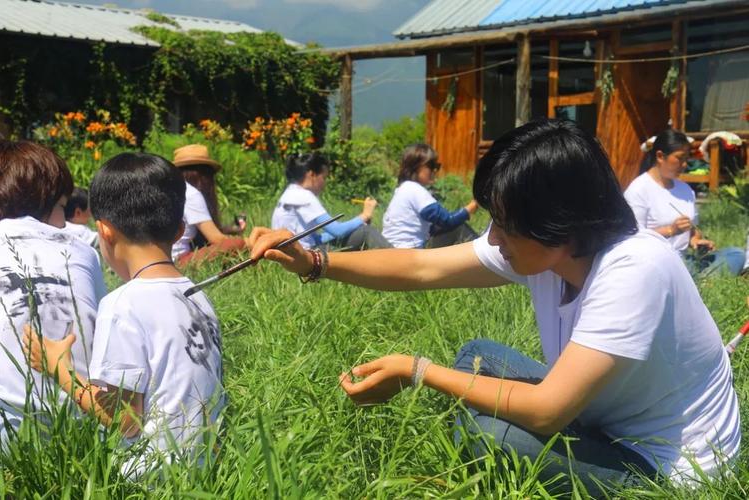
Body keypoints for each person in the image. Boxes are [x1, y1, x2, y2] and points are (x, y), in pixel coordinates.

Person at [248, 119, 740, 495]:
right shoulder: (555, 250)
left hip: (666, 469)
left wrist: (416, 370)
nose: (494, 238)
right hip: (602, 416)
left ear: (558, 224)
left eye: (505, 223)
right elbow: (422, 268)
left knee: (491, 434)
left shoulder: (636, 269)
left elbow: (547, 411)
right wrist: (312, 260)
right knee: (479, 354)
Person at [23, 152, 224, 475]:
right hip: (208, 471)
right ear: (179, 231)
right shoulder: (199, 296)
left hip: (150, 482)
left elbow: (125, 420)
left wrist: (59, 369)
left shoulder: (123, 304)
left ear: (104, 232)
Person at [0, 141, 105, 442]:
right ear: (45, 202)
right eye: (61, 208)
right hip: (87, 426)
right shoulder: (84, 251)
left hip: (8, 431)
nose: (63, 223)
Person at [624, 129, 745, 276]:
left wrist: (695, 240)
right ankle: (699, 280)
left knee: (736, 254)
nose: (684, 165)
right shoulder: (638, 190)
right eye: (680, 158)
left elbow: (693, 229)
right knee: (679, 266)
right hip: (657, 260)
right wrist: (671, 230)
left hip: (685, 258)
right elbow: (633, 238)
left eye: (687, 159)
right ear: (660, 156)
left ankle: (699, 280)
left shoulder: (685, 189)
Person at [271, 152, 390, 250]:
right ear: (312, 175)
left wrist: (357, 224)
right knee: (365, 233)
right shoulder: (304, 197)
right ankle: (399, 262)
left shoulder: (290, 193)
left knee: (360, 231)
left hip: (297, 251)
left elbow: (317, 238)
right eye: (324, 177)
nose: (325, 183)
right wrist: (364, 215)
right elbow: (337, 231)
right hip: (306, 254)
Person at [383, 144, 478, 248]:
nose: (435, 171)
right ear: (415, 167)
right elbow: (448, 221)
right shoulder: (415, 190)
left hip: (393, 250)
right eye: (432, 166)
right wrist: (472, 207)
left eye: (436, 166)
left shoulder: (403, 189)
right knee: (459, 227)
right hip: (410, 251)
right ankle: (486, 257)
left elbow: (433, 226)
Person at [172, 144, 251, 265]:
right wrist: (250, 243)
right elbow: (217, 240)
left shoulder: (173, 190)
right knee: (238, 244)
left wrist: (231, 229)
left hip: (161, 259)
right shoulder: (191, 194)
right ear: (204, 176)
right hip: (178, 261)